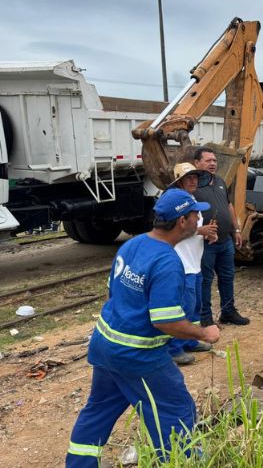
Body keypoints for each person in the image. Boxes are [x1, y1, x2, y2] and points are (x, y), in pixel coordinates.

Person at [66, 189, 221, 467]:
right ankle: (182, 462)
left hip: (105, 345)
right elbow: (165, 320)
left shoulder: (133, 245)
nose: (200, 218)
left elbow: (113, 293)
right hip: (138, 355)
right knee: (175, 408)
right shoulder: (167, 261)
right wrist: (203, 333)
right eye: (195, 213)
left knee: (98, 411)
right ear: (181, 221)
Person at [167, 162, 218, 366]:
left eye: (196, 177)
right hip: (182, 264)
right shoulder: (172, 201)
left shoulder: (193, 199)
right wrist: (201, 231)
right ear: (179, 181)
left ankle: (189, 340)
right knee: (183, 307)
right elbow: (172, 230)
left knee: (194, 306)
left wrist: (208, 235)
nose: (194, 181)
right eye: (189, 178)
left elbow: (194, 229)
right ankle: (174, 348)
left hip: (194, 262)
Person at [193, 147, 250, 326]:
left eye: (214, 161)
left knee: (227, 277)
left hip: (225, 241)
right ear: (196, 163)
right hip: (206, 243)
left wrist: (237, 230)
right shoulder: (192, 185)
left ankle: (228, 312)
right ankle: (205, 318)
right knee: (205, 280)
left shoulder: (219, 181)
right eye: (208, 160)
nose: (212, 164)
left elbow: (229, 205)